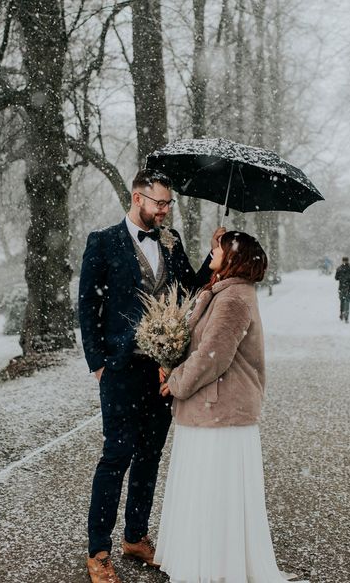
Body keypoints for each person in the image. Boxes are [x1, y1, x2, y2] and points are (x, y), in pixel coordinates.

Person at [78, 168, 223, 583]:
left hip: (164, 370)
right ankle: (99, 552)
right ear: (137, 198)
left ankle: (136, 537)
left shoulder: (171, 242)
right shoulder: (103, 242)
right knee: (116, 456)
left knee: (149, 456)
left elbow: (190, 290)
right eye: (159, 203)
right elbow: (87, 307)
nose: (165, 210)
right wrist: (99, 363)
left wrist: (214, 261)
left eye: (169, 204)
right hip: (121, 370)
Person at [156, 231, 308, 583]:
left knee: (214, 494)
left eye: (218, 249)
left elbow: (213, 356)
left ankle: (217, 568)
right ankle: (205, 560)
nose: (211, 252)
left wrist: (175, 381)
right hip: (208, 409)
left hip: (221, 411)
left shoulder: (233, 299)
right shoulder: (221, 292)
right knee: (205, 492)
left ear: (234, 259)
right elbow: (198, 342)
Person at [335, 256, 350, 323]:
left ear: (342, 261)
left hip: (342, 287)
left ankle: (342, 313)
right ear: (348, 261)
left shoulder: (339, 268)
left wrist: (340, 275)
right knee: (347, 301)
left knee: (342, 301)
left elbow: (336, 278)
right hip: (349, 288)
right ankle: (346, 316)